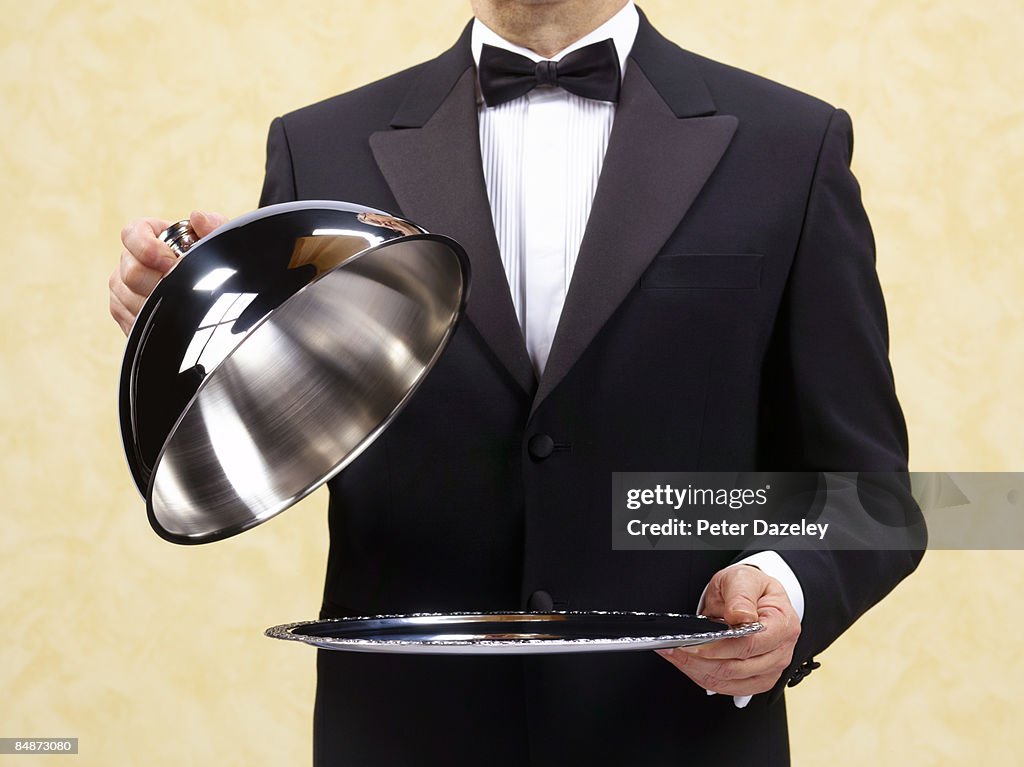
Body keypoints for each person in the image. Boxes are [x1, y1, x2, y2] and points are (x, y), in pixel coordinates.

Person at [109, 1, 923, 764]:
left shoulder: (791, 144)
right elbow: (280, 428)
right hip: (402, 738)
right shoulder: (319, 145)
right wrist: (189, 312)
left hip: (676, 736)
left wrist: (785, 584)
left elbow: (878, 496)